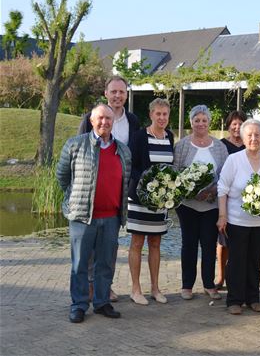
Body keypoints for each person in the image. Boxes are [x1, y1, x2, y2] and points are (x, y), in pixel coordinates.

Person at [56, 103, 131, 323]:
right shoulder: (75, 145)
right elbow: (62, 177)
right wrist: (75, 199)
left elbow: (124, 182)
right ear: (91, 120)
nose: (104, 122)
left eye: (108, 119)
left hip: (111, 218)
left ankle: (101, 303)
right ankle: (79, 304)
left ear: (113, 122)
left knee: (105, 263)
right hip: (82, 217)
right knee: (79, 264)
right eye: (100, 118)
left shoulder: (123, 150)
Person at [78, 75, 141, 302]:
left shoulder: (133, 121)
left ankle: (106, 287)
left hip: (121, 190)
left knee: (110, 244)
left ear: (126, 94)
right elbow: (78, 154)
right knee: (91, 246)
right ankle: (90, 288)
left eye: (121, 92)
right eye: (113, 92)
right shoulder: (91, 118)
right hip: (95, 190)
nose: (117, 96)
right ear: (106, 93)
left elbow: (135, 154)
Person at [217, 119, 260, 315]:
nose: (254, 138)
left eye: (257, 135)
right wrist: (222, 215)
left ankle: (253, 298)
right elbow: (222, 188)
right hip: (236, 220)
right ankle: (234, 300)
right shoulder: (234, 160)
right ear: (243, 138)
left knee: (255, 259)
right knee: (236, 261)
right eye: (250, 135)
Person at [173, 105, 229, 301]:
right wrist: (190, 190)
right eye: (197, 120)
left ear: (209, 122)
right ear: (191, 122)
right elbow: (176, 172)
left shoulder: (220, 147)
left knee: (208, 244)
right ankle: (187, 285)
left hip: (211, 205)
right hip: (187, 205)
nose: (200, 123)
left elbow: (224, 175)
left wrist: (211, 191)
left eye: (204, 120)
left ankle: (208, 284)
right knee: (188, 244)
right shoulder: (182, 146)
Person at [126, 98, 175, 305]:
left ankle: (155, 288)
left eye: (165, 114)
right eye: (158, 114)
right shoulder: (138, 137)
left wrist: (165, 189)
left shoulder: (170, 137)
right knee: (137, 242)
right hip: (139, 198)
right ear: (151, 115)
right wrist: (147, 183)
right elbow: (132, 165)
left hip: (160, 200)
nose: (162, 118)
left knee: (156, 243)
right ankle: (136, 289)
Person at [215, 110, 247, 290]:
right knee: (222, 240)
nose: (237, 127)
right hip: (225, 197)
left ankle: (238, 276)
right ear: (228, 125)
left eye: (241, 123)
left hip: (246, 199)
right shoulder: (221, 145)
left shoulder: (249, 145)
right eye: (234, 123)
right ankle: (221, 276)